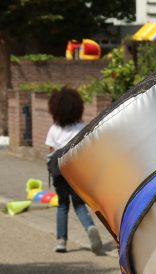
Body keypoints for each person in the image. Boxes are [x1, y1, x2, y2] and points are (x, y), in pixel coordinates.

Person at [45, 87, 103, 255]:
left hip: (59, 171)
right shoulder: (82, 127)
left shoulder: (54, 129)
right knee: (79, 204)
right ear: (77, 108)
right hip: (76, 170)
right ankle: (90, 227)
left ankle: (61, 241)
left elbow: (50, 152)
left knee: (63, 204)